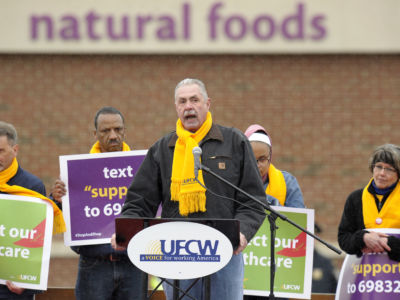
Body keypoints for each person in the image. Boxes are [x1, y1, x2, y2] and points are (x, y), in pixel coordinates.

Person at [116, 78, 266, 300]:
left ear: (207, 103)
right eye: (182, 101)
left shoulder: (234, 142)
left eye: (194, 100)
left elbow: (252, 200)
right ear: (176, 107)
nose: (189, 106)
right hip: (176, 256)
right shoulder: (162, 149)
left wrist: (242, 233)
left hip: (223, 252)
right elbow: (140, 200)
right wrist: (125, 230)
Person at [50, 107, 144, 300]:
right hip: (94, 265)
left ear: (125, 131)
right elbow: (63, 219)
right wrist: (57, 200)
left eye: (118, 129)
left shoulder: (141, 169)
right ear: (95, 134)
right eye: (105, 131)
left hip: (133, 265)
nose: (113, 136)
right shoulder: (77, 173)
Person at [0, 121, 65, 300]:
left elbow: (36, 239)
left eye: (0, 151)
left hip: (12, 289)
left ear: (15, 150)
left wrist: (27, 285)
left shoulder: (32, 186)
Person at [243, 125, 305, 299]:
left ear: (271, 158)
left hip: (277, 269)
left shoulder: (287, 182)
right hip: (245, 268)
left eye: (262, 159)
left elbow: (298, 222)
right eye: (251, 159)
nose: (257, 165)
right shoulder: (234, 180)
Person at [338, 143, 400, 260]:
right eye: (379, 167)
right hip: (365, 275)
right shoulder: (355, 198)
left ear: (398, 174)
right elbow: (343, 239)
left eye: (389, 169)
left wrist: (388, 243)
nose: (382, 173)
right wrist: (363, 238)